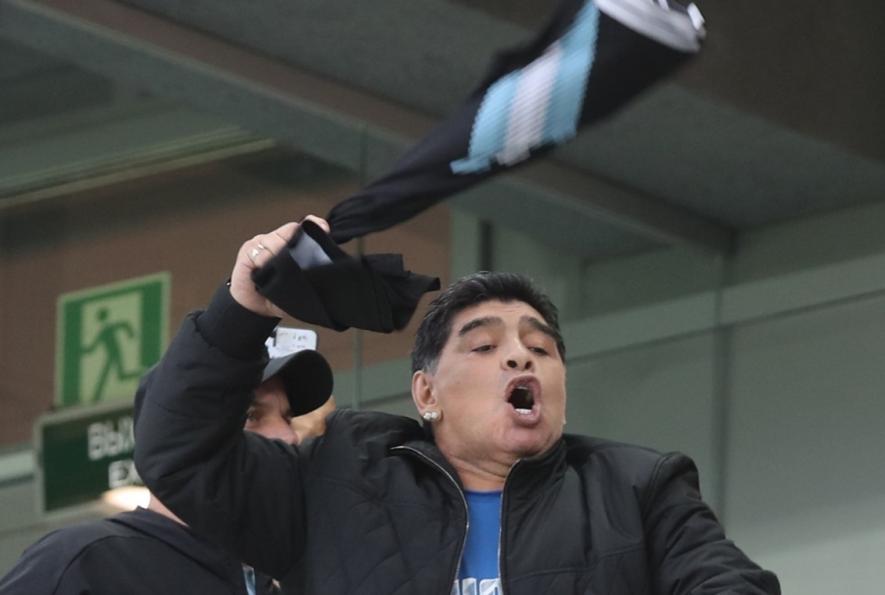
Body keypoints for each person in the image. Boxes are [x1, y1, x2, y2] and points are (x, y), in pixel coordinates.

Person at [134, 216, 781, 594]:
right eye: (483, 346)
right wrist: (244, 302)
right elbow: (178, 451)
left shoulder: (636, 487)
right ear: (426, 393)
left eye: (540, 347)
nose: (519, 357)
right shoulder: (334, 477)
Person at [0, 347, 334, 595]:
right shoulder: (85, 562)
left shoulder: (277, 582)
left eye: (287, 418)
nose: (288, 436)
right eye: (250, 415)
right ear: (175, 435)